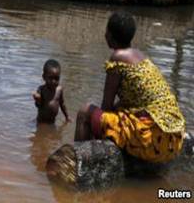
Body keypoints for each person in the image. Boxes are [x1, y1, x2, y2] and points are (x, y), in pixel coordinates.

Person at [74, 11, 186, 163]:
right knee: (118, 112)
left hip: (152, 141)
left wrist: (97, 124)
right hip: (174, 140)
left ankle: (80, 164)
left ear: (110, 36)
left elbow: (106, 106)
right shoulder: (141, 57)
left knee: (84, 112)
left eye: (106, 31)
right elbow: (133, 102)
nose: (105, 34)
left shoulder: (117, 58)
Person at [32, 59, 70, 123]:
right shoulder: (41, 89)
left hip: (53, 121)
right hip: (41, 121)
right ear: (44, 77)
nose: (53, 81)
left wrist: (67, 116)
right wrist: (37, 100)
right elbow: (38, 105)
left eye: (56, 78)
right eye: (50, 78)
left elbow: (62, 104)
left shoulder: (59, 90)